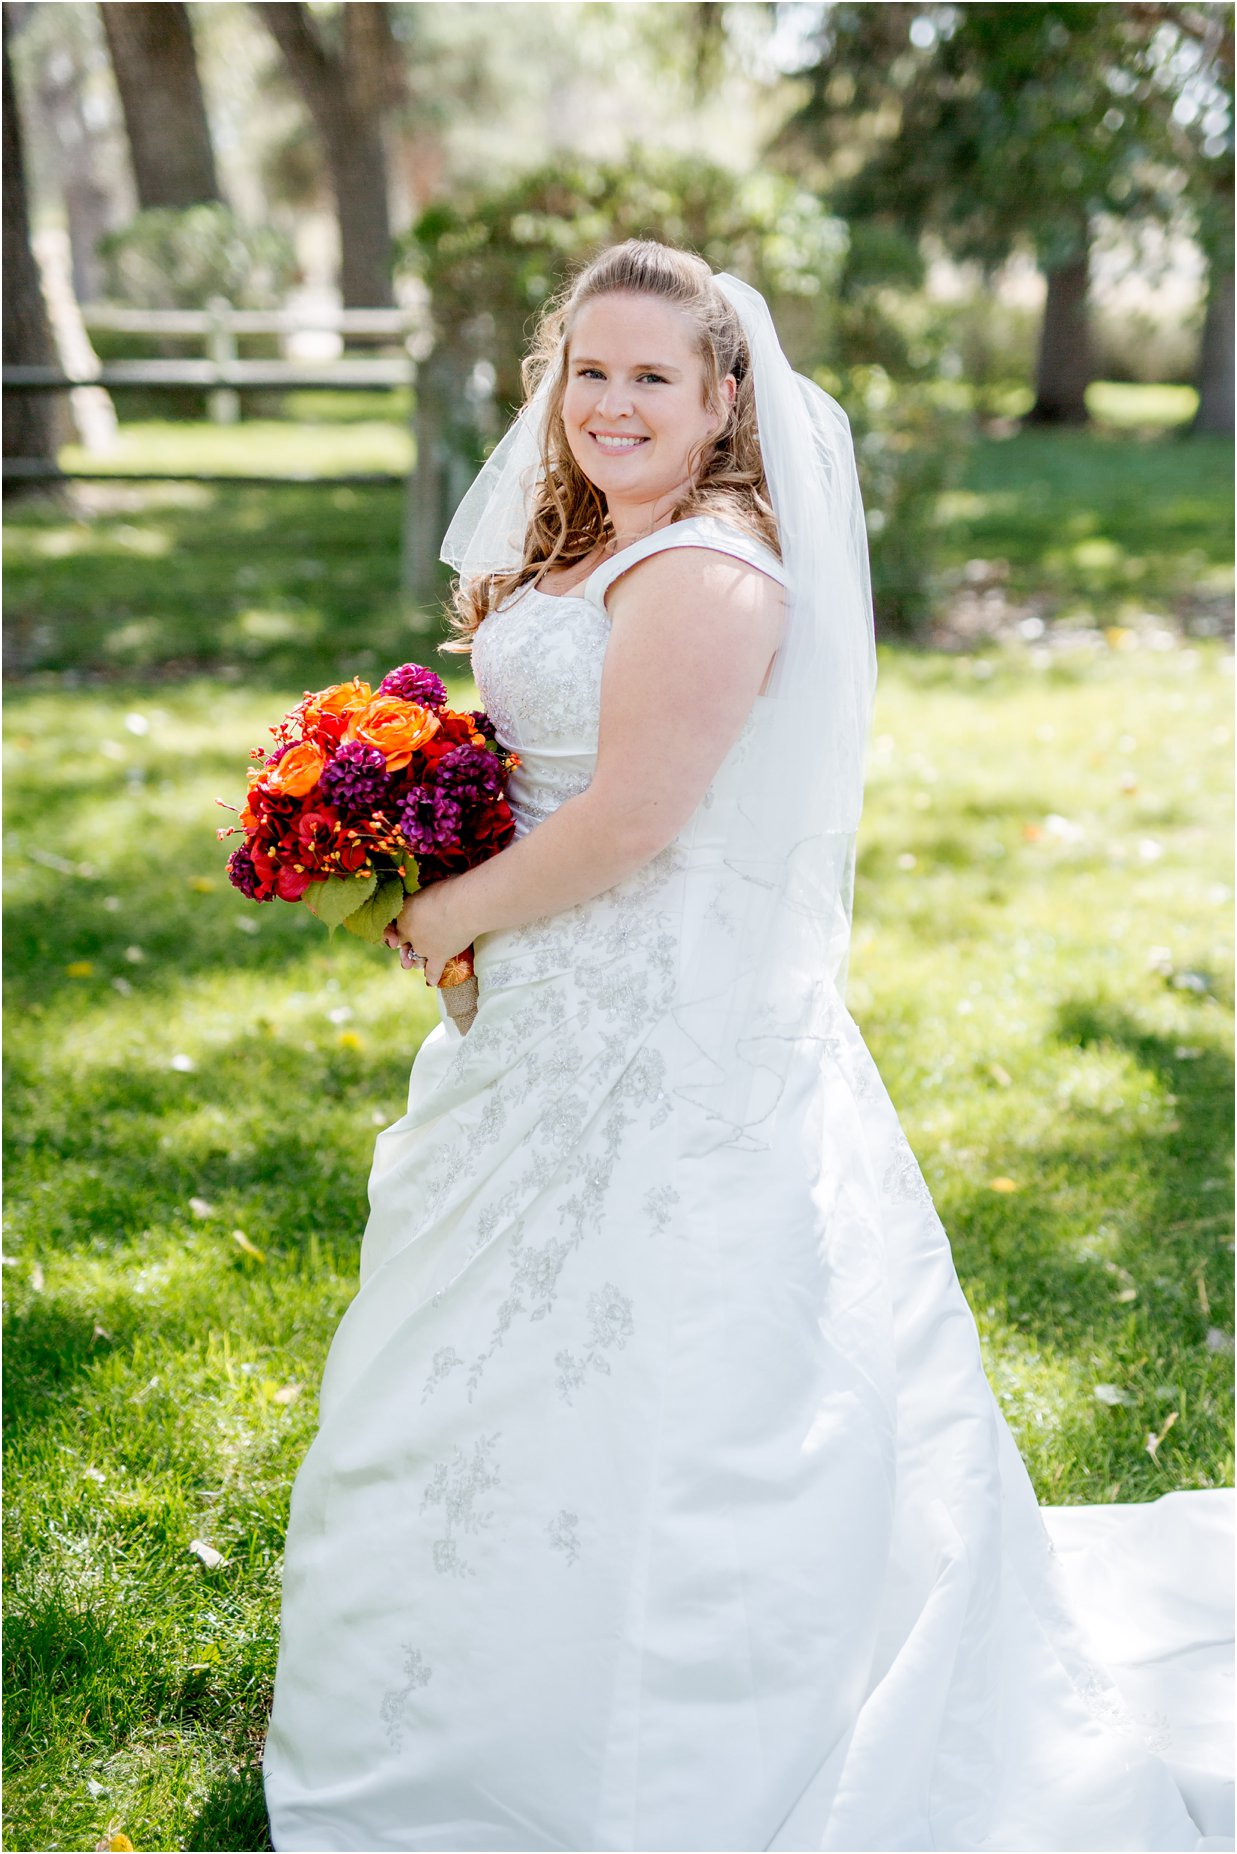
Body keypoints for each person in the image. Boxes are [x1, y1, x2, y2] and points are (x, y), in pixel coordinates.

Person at [262, 240, 1232, 1852]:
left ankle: (671, 1737)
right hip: (554, 1023)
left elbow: (638, 818)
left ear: (726, 401)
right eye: (589, 369)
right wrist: (407, 813)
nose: (614, 402)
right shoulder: (597, 552)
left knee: (674, 1364)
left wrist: (449, 913)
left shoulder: (709, 569)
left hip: (665, 1032)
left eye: (654, 375)